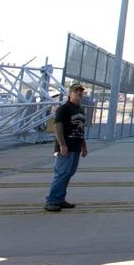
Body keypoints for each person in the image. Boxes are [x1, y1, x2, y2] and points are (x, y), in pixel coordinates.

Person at [44, 84, 88, 212]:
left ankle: (60, 199)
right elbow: (58, 127)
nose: (79, 93)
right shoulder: (63, 109)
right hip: (66, 146)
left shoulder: (80, 109)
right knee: (61, 173)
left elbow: (81, 129)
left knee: (69, 173)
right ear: (70, 93)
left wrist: (83, 146)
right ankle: (51, 200)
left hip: (76, 146)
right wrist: (62, 144)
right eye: (76, 91)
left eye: (80, 91)